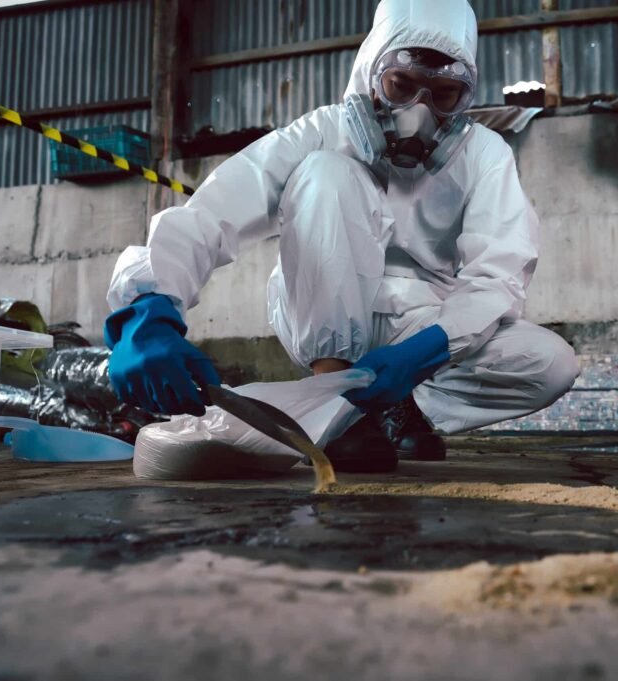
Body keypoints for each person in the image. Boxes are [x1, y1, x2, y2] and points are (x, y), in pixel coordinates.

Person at [103, 0, 580, 473]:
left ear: (465, 96)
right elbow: (212, 214)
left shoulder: (484, 154)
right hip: (325, 313)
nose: (419, 112)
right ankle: (337, 391)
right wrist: (150, 309)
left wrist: (426, 351)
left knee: (549, 363)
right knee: (326, 173)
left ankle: (385, 406)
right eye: (401, 85)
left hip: (425, 328)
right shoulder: (322, 132)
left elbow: (497, 275)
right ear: (372, 70)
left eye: (443, 94)